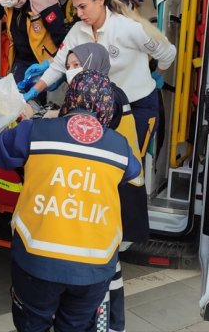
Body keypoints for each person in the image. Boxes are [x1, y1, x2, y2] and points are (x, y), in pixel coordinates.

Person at [0, 70, 141, 332]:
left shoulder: (36, 130)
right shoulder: (119, 146)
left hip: (37, 261)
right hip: (94, 267)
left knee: (33, 324)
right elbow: (132, 173)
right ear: (107, 107)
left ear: (70, 97)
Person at [25, 0, 176, 164]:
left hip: (138, 106)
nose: (79, 14)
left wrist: (157, 75)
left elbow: (168, 52)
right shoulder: (78, 31)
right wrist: (33, 92)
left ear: (100, 0)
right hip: (104, 108)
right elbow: (57, 66)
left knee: (131, 166)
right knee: (104, 165)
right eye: (76, 8)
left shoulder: (127, 28)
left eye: (83, 7)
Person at [62, 42, 149, 332]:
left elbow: (92, 140)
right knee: (107, 263)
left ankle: (108, 324)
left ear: (93, 63)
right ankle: (109, 322)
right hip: (114, 185)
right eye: (69, 65)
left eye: (77, 65)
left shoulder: (104, 96)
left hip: (116, 191)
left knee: (106, 265)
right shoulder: (106, 91)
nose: (71, 71)